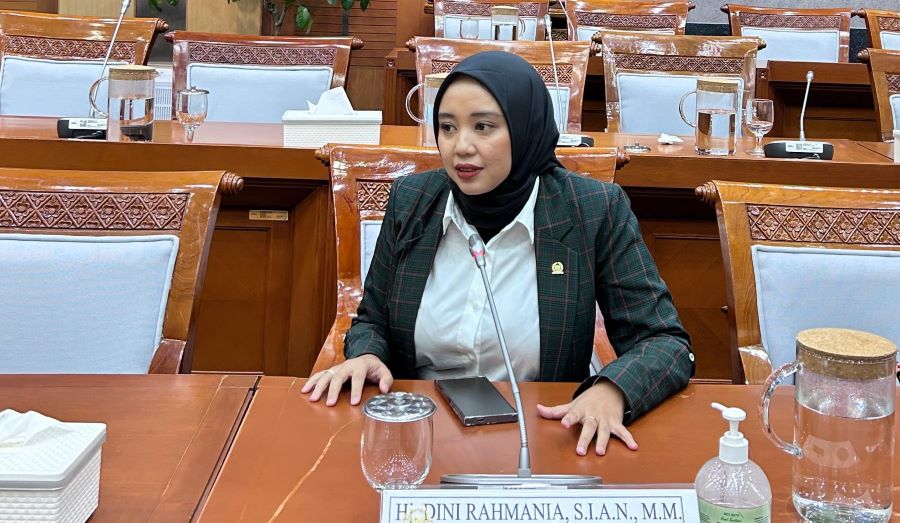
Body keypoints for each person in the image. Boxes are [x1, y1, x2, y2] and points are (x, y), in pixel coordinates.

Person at [302, 51, 694, 456]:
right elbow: (373, 319)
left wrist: (612, 390)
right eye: (447, 127)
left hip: (542, 437)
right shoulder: (412, 200)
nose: (461, 147)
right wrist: (367, 354)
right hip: (418, 436)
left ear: (526, 128)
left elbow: (664, 341)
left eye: (483, 127)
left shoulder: (592, 210)